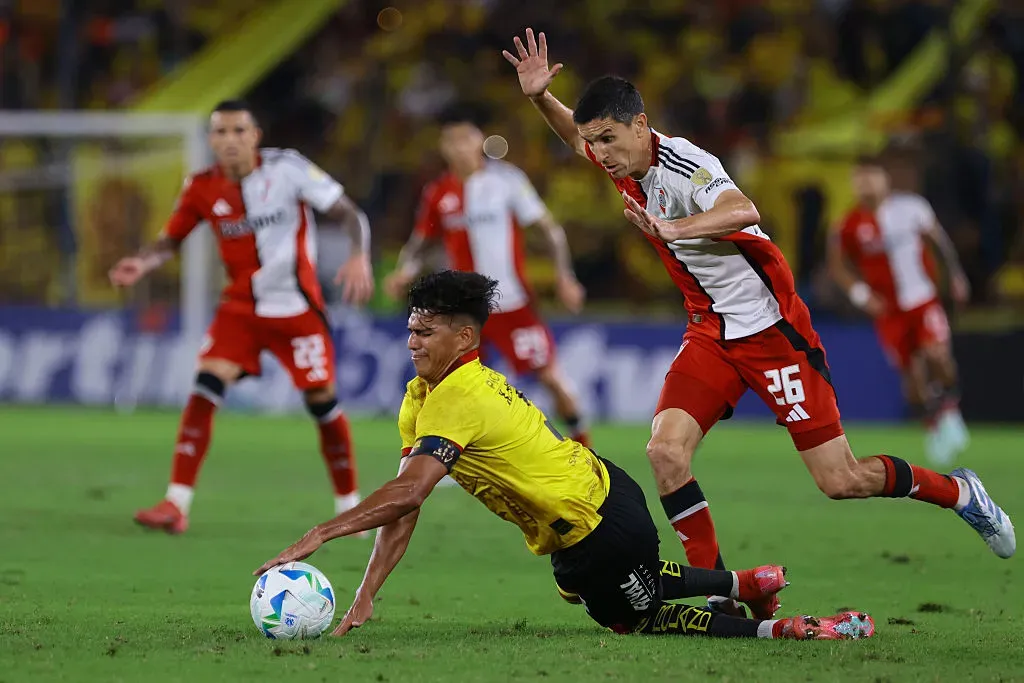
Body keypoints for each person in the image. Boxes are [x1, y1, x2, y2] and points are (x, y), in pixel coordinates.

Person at [500, 29, 1015, 616]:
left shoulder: (685, 162)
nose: (601, 153)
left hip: (773, 333)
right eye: (596, 142)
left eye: (610, 139)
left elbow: (744, 209)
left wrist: (673, 230)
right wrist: (541, 96)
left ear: (641, 126)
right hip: (711, 334)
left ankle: (959, 492)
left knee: (839, 479)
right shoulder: (618, 157)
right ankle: (720, 592)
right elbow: (573, 134)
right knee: (666, 454)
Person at [255, 270, 876, 641]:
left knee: (634, 619)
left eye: (424, 331)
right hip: (600, 499)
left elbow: (410, 493)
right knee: (584, 587)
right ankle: (747, 581)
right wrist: (367, 592)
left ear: (464, 337)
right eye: (410, 328)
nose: (410, 340)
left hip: (598, 525)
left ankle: (783, 628)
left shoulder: (458, 399)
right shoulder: (423, 396)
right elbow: (403, 503)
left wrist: (320, 532)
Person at [109, 100, 375, 534]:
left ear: (255, 136)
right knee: (204, 387)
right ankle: (176, 503)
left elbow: (350, 213)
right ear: (210, 140)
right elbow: (169, 240)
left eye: (238, 131)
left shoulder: (288, 169)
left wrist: (359, 256)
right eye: (220, 132)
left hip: (297, 311)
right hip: (241, 310)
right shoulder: (200, 186)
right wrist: (143, 263)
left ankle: (351, 506)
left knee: (322, 404)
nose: (229, 140)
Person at [383, 104, 591, 446]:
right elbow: (421, 241)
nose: (459, 147)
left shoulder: (506, 181)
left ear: (478, 141)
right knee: (449, 383)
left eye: (465, 139)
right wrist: (404, 271)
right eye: (451, 141)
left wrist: (564, 276)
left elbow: (548, 229)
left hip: (512, 303)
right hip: (465, 310)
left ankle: (586, 447)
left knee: (550, 377)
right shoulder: (439, 193)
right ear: (444, 148)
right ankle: (444, 455)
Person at [829, 156, 970, 465]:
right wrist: (861, 294)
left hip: (922, 300)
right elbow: (838, 264)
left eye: (871, 176)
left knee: (936, 355)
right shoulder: (850, 223)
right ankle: (933, 425)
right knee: (913, 380)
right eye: (860, 178)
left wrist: (956, 275)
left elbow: (939, 242)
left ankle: (950, 409)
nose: (866, 184)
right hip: (889, 312)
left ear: (885, 179)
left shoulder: (912, 208)